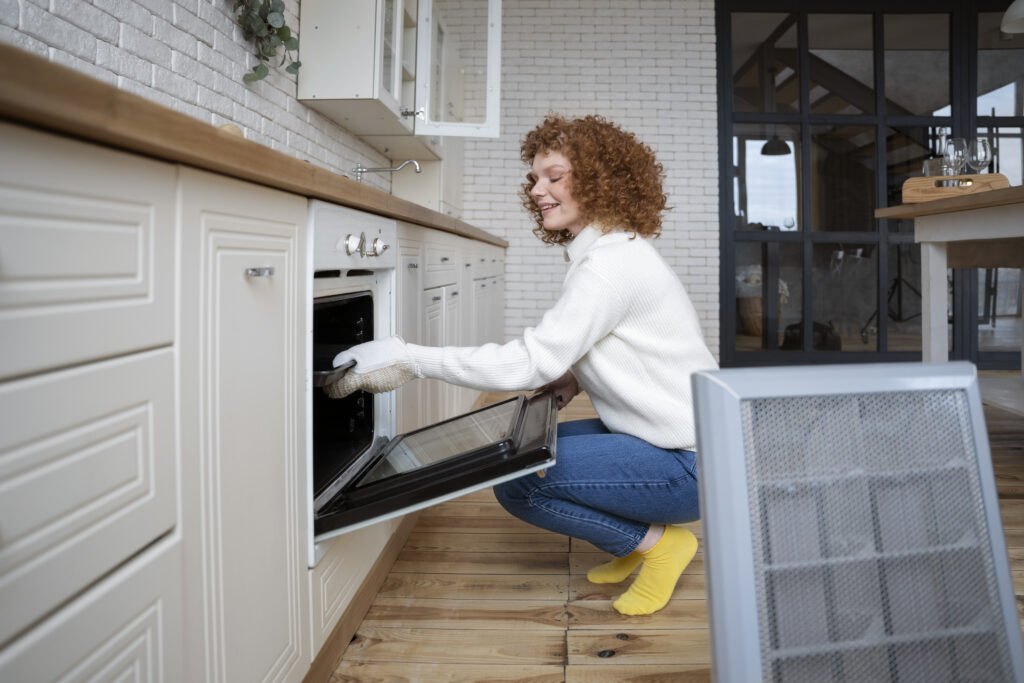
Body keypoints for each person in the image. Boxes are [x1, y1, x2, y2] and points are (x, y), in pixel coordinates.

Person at [328, 114, 718, 615]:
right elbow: (629, 343)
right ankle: (634, 543)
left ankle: (661, 546)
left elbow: (529, 362)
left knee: (516, 480)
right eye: (535, 178)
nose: (537, 190)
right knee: (525, 446)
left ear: (601, 182)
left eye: (554, 177)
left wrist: (409, 358)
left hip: (689, 467)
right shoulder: (612, 252)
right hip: (682, 444)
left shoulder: (608, 265)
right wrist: (571, 380)